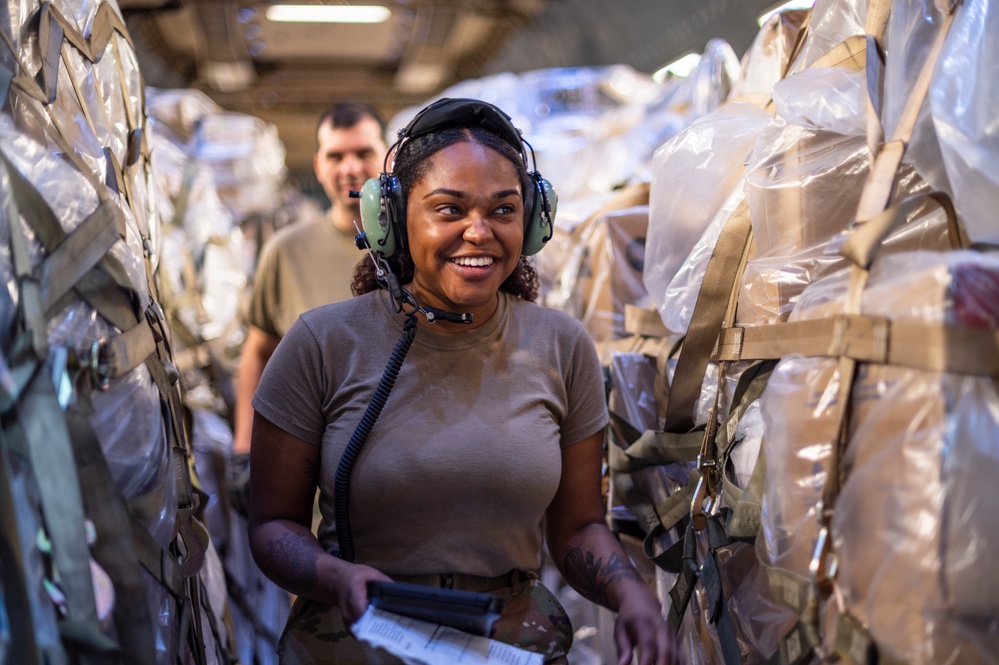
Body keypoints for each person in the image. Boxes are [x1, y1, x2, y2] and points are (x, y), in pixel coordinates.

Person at [247, 98, 680, 665]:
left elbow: (577, 528)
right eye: (448, 210)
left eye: (504, 210)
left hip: (508, 644)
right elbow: (273, 523)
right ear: (393, 219)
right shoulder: (321, 344)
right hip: (357, 639)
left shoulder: (562, 346)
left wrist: (632, 595)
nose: (479, 233)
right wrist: (335, 577)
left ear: (531, 222)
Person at [233, 101, 389, 455]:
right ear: (319, 166)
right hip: (309, 474)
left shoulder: (422, 247)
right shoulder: (285, 251)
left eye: (364, 152)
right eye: (336, 156)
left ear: (388, 160)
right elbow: (259, 351)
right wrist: (246, 444)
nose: (350, 168)